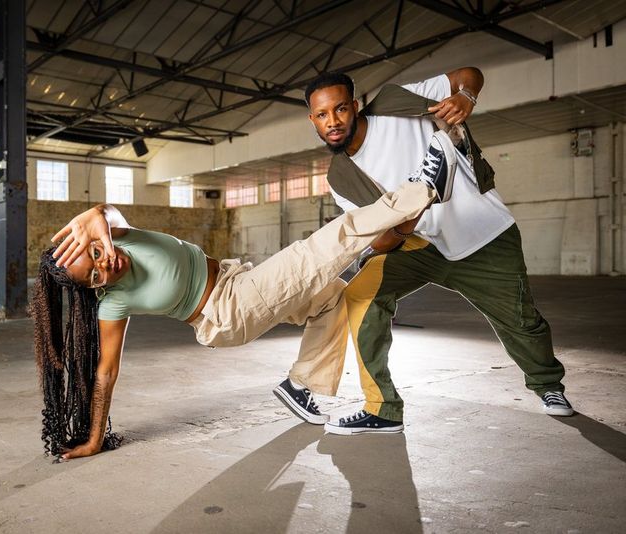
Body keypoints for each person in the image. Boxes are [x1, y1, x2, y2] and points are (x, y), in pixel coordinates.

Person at [33, 132, 455, 460]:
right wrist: (93, 437)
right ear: (95, 290)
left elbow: (105, 214)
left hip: (236, 279)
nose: (104, 263)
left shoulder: (118, 235)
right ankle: (423, 188)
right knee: (323, 247)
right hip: (225, 312)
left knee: (334, 297)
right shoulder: (114, 303)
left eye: (95, 252)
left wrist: (93, 214)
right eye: (95, 275)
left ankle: (301, 385)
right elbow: (105, 374)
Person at [273, 68, 573, 437]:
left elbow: (469, 75)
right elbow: (380, 241)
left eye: (339, 110)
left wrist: (467, 98)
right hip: (420, 244)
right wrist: (407, 221)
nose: (332, 122)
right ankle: (382, 408)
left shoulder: (395, 104)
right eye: (322, 115)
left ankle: (548, 386)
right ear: (313, 120)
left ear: (355, 106)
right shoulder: (340, 177)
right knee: (359, 295)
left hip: (484, 234)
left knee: (522, 323)